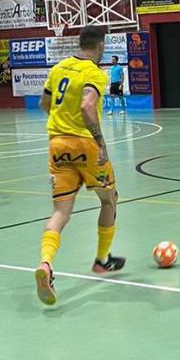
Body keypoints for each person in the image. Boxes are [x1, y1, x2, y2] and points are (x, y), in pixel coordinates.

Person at [34, 26, 125, 306]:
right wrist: (100, 143)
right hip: (84, 144)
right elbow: (87, 106)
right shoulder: (95, 72)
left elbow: (44, 103)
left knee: (61, 212)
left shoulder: (58, 68)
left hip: (57, 144)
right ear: (99, 46)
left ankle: (46, 264)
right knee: (109, 200)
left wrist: (63, 122)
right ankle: (101, 260)